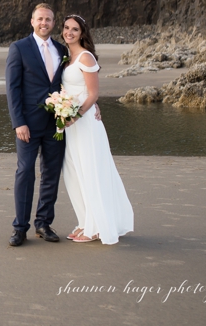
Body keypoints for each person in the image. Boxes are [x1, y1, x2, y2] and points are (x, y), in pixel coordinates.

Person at [58, 14, 133, 244]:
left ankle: (96, 227)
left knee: (90, 171)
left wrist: (77, 115)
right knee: (75, 172)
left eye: (75, 29)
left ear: (83, 33)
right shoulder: (67, 57)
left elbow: (93, 93)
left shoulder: (86, 57)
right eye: (66, 28)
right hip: (70, 123)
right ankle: (84, 221)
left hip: (85, 124)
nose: (69, 32)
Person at [5, 3, 68, 246]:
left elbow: (69, 84)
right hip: (28, 125)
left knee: (51, 174)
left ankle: (43, 223)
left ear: (54, 23)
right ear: (32, 21)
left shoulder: (61, 49)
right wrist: (18, 122)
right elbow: (12, 89)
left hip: (56, 124)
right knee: (25, 172)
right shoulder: (19, 48)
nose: (44, 23)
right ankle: (20, 227)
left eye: (49, 20)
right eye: (40, 19)